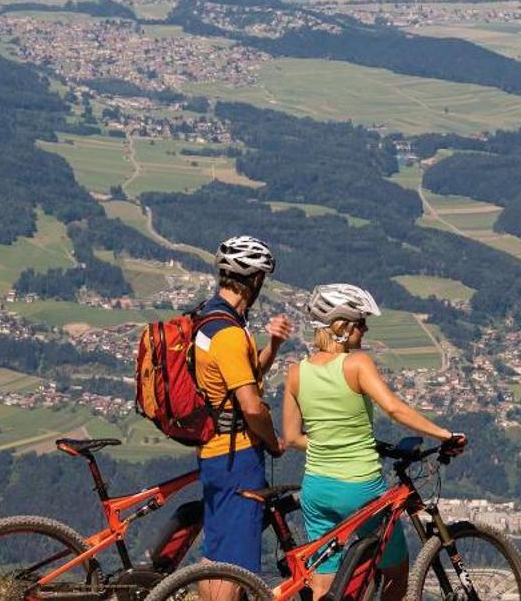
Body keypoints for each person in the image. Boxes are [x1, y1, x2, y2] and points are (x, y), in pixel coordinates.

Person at [282, 283, 466, 601]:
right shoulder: (357, 364)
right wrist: (445, 435)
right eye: (360, 322)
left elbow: (292, 437)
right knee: (395, 569)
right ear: (341, 327)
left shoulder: (296, 372)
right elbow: (394, 409)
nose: (365, 329)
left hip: (315, 487)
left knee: (323, 581)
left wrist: (329, 445)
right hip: (360, 489)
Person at [192, 234, 294, 593]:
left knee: (216, 554)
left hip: (214, 451)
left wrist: (274, 347)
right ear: (254, 280)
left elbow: (241, 381)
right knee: (235, 565)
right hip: (236, 457)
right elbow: (251, 405)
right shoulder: (230, 335)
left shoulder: (208, 318)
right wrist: (273, 441)